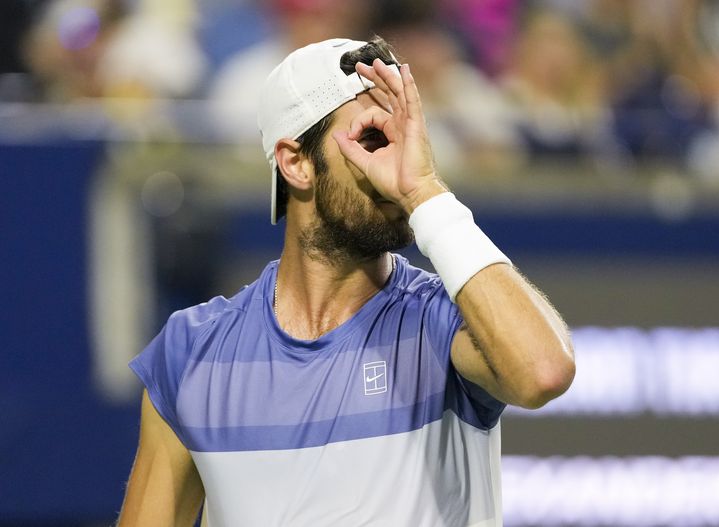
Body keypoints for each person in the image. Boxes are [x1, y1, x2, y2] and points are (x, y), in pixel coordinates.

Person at [117, 36, 575, 526]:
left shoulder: (442, 324)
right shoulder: (191, 354)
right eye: (374, 139)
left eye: (410, 139)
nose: (396, 165)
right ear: (295, 162)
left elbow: (542, 373)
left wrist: (426, 191)